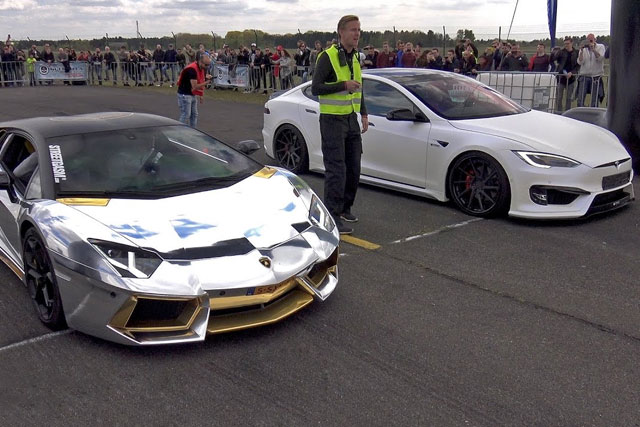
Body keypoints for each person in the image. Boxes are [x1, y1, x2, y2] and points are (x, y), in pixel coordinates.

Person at [311, 15, 369, 235]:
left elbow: (359, 88)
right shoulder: (327, 57)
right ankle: (332, 215)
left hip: (350, 118)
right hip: (332, 121)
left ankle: (345, 208)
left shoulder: (355, 57)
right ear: (341, 32)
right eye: (353, 30)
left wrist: (363, 112)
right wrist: (343, 84)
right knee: (337, 170)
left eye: (359, 30)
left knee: (354, 168)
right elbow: (316, 88)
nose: (357, 34)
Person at [176, 53, 212, 127]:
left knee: (194, 114)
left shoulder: (201, 68)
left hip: (192, 94)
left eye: (208, 65)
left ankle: (193, 130)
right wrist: (207, 82)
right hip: (184, 94)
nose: (207, 67)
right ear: (200, 62)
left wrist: (201, 95)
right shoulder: (192, 69)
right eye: (206, 65)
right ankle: (179, 131)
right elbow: (195, 86)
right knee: (186, 114)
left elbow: (201, 80)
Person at [576, 33, 606, 107]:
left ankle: (594, 113)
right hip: (584, 76)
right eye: (588, 40)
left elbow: (600, 58)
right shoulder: (584, 49)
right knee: (580, 98)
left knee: (595, 99)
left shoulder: (601, 47)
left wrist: (594, 50)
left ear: (595, 40)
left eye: (591, 40)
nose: (589, 42)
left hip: (596, 76)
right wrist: (581, 51)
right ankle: (580, 113)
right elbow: (580, 62)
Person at [555, 37, 579, 112]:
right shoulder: (561, 52)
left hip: (571, 78)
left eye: (568, 43)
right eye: (565, 44)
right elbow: (555, 59)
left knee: (569, 98)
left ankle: (567, 112)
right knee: (559, 97)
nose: (566, 45)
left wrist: (572, 72)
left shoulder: (576, 52)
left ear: (571, 43)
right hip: (561, 77)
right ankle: (559, 112)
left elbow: (578, 65)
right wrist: (556, 52)